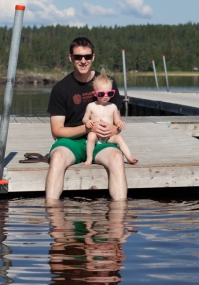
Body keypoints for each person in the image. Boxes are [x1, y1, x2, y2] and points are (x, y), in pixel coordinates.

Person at [46, 37, 127, 202]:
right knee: (57, 157)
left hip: (101, 141)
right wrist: (87, 129)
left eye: (87, 57)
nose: (83, 61)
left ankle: (118, 219)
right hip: (71, 142)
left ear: (93, 57)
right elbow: (56, 131)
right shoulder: (60, 89)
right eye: (78, 57)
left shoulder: (107, 85)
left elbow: (116, 123)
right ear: (71, 58)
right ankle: (54, 218)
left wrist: (112, 130)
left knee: (117, 158)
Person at [82, 73, 137, 166]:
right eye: (101, 94)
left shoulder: (113, 107)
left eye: (110, 93)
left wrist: (120, 123)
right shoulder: (91, 106)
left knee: (119, 138)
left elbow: (117, 120)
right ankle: (89, 158)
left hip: (108, 136)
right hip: (96, 136)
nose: (106, 96)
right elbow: (85, 118)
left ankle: (129, 157)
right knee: (91, 136)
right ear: (95, 93)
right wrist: (87, 121)